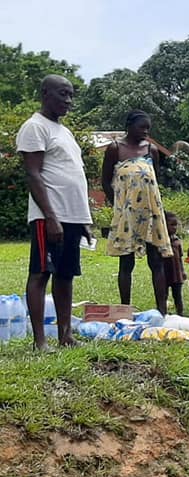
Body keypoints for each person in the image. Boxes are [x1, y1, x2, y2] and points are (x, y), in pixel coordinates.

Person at [16, 75, 93, 351]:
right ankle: (40, 341)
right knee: (41, 273)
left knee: (65, 274)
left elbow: (73, 174)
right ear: (45, 93)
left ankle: (65, 335)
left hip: (72, 217)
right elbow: (34, 175)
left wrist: (84, 220)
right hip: (49, 216)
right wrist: (50, 217)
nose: (68, 101)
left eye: (71, 95)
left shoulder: (65, 132)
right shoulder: (34, 127)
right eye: (63, 94)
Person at [101, 110, 173, 311]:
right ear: (129, 126)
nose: (145, 131)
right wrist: (118, 204)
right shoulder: (115, 149)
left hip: (151, 214)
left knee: (156, 261)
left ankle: (162, 309)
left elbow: (155, 180)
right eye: (142, 127)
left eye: (148, 128)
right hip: (127, 215)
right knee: (126, 263)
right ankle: (125, 308)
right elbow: (105, 181)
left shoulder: (151, 150)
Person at [163, 211, 186, 316]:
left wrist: (183, 271)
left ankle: (180, 313)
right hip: (165, 274)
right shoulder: (162, 242)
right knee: (164, 294)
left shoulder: (177, 242)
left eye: (176, 225)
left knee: (178, 295)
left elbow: (180, 258)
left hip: (176, 274)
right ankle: (163, 312)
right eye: (172, 225)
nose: (174, 227)